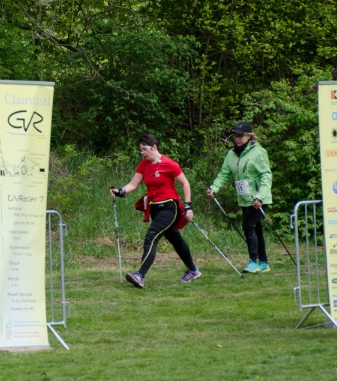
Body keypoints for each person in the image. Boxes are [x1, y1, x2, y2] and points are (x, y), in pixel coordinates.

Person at [110, 133, 197, 287]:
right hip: (155, 208)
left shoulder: (169, 164)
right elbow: (133, 184)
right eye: (140, 150)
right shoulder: (144, 164)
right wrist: (120, 190)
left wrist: (188, 206)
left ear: (154, 147)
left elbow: (185, 183)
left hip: (170, 207)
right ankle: (193, 270)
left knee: (151, 237)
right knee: (175, 239)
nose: (142, 153)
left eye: (144, 149)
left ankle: (140, 275)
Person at [206, 122, 273, 274]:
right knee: (256, 228)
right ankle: (263, 263)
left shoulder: (258, 152)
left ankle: (253, 262)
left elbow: (266, 175)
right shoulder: (231, 154)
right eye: (235, 136)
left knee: (248, 225)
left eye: (240, 136)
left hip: (258, 199)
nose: (237, 139)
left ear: (249, 136)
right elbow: (224, 174)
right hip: (243, 198)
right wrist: (214, 187)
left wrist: (260, 197)